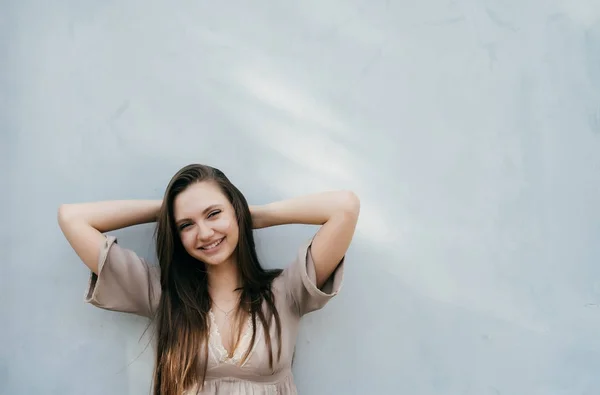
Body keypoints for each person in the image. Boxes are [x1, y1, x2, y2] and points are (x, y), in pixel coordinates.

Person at [57, 164, 360, 395]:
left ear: (236, 211)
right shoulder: (161, 293)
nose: (204, 233)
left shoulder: (286, 292)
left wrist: (256, 215)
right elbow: (72, 218)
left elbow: (344, 207)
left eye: (214, 213)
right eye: (187, 224)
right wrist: (166, 212)